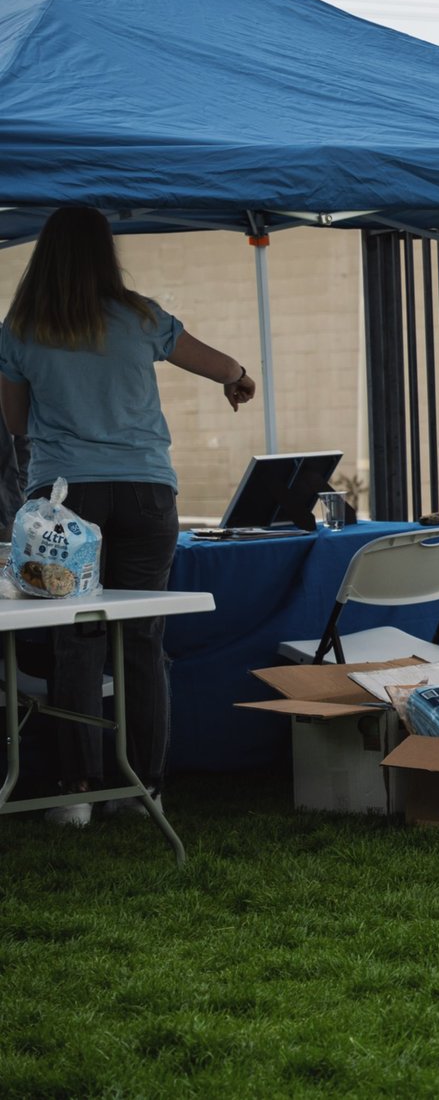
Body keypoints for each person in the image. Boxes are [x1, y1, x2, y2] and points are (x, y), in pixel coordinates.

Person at [0, 207, 256, 827]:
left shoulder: (21, 328)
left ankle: (76, 791)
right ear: (104, 254)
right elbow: (219, 364)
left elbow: (14, 425)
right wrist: (239, 380)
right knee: (143, 641)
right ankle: (144, 789)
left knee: (76, 642)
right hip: (147, 491)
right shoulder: (140, 315)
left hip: (65, 502)